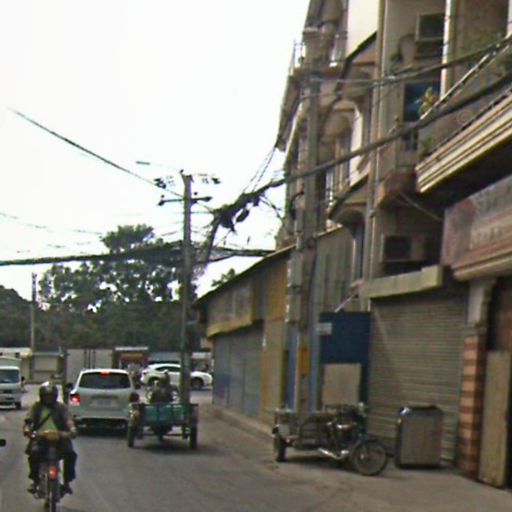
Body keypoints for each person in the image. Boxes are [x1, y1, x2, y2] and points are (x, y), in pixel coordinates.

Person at [23, 381, 78, 495]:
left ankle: (67, 482)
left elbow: (68, 420)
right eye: (46, 396)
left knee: (70, 454)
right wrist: (28, 429)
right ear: (41, 396)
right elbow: (29, 420)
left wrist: (72, 429)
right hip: (40, 438)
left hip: (60, 438)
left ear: (55, 396)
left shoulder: (61, 407)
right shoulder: (36, 407)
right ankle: (35, 481)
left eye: (51, 396)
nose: (48, 398)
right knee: (34, 454)